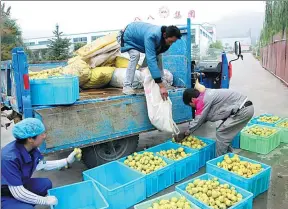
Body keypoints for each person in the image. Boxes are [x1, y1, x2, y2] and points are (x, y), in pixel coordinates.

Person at [1, 118, 80, 209]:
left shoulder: (30, 148)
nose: (44, 136)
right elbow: (18, 193)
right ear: (30, 138)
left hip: (18, 184)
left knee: (45, 184)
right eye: (41, 134)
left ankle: (21, 203)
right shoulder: (8, 158)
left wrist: (67, 161)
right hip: (4, 193)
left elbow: (42, 165)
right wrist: (44, 200)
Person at [177, 88, 254, 156]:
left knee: (222, 133)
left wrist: (185, 133)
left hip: (243, 110)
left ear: (193, 99)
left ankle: (221, 160)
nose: (194, 108)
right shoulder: (205, 94)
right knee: (223, 131)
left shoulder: (202, 100)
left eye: (191, 105)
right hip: (244, 108)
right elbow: (206, 116)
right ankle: (228, 156)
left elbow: (199, 118)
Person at [117, 22, 182, 98]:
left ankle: (163, 80)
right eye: (170, 41)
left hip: (138, 38)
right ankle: (127, 86)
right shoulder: (152, 36)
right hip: (127, 37)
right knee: (135, 55)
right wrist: (160, 86)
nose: (170, 44)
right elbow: (151, 60)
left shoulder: (162, 35)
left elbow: (156, 55)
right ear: (164, 35)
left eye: (173, 42)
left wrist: (161, 83)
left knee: (159, 55)